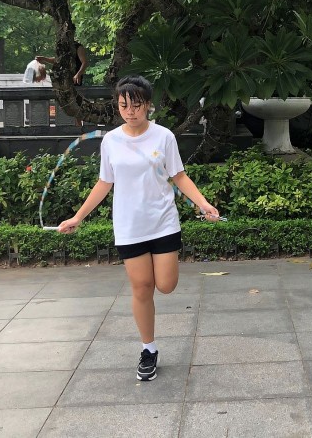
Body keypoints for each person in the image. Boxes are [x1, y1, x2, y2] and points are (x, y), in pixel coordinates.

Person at [57, 75, 220, 381]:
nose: (130, 112)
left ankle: (151, 336)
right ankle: (149, 349)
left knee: (166, 285)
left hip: (163, 222)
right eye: (123, 106)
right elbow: (104, 182)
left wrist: (203, 203)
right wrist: (78, 217)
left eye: (136, 105)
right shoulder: (111, 141)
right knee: (142, 287)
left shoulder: (164, 137)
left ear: (148, 105)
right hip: (129, 225)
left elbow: (179, 176)